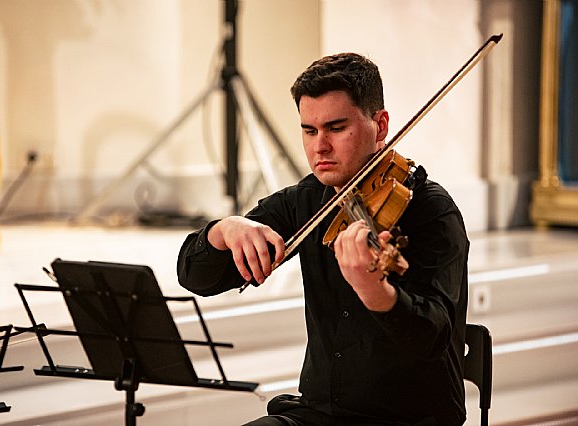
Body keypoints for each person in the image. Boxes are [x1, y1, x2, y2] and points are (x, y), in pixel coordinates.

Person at [177, 52, 469, 425]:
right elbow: (195, 275)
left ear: (380, 126)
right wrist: (224, 230)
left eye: (336, 127)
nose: (320, 147)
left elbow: (434, 336)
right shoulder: (308, 200)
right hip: (319, 415)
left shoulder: (431, 211)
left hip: (407, 418)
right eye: (309, 130)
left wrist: (375, 291)